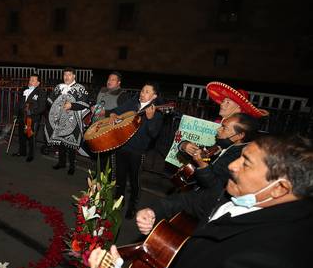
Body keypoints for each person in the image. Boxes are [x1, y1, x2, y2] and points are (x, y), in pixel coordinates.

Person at [89, 134, 313, 268]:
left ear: (280, 188)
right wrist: (155, 210)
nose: (232, 166)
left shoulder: (278, 262)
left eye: (246, 163)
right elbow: (194, 200)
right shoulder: (241, 193)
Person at [109, 83, 163, 219]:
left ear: (154, 96)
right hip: (122, 146)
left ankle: (132, 206)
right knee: (120, 177)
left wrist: (150, 120)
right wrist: (113, 114)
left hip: (137, 151)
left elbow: (154, 134)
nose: (142, 93)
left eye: (146, 91)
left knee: (134, 181)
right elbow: (118, 110)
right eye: (142, 90)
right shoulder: (133, 102)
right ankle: (118, 202)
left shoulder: (157, 111)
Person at [176, 112, 259, 190]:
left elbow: (214, 186)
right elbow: (204, 157)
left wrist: (203, 165)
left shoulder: (240, 159)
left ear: (239, 135)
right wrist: (184, 145)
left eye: (224, 128)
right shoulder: (223, 145)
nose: (218, 130)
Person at [45, 67, 89, 175]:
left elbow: (85, 103)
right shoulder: (59, 87)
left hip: (72, 120)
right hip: (59, 119)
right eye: (65, 75)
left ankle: (72, 166)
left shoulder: (80, 88)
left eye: (69, 75)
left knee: (70, 144)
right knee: (60, 142)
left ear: (74, 76)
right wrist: (55, 109)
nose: (66, 77)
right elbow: (50, 99)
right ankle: (61, 163)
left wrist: (72, 105)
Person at [88, 71, 130, 174]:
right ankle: (97, 178)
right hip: (97, 127)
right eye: (108, 79)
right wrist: (93, 107)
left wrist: (106, 112)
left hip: (109, 131)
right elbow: (98, 104)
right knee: (98, 155)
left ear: (118, 82)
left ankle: (105, 181)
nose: (109, 81)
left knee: (107, 159)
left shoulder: (122, 95)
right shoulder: (102, 90)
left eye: (113, 79)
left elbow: (123, 114)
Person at [12, 74, 47, 162]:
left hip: (33, 118)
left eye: (33, 80)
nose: (30, 81)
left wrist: (32, 112)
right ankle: (22, 152)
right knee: (21, 135)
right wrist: (15, 113)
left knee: (31, 137)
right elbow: (19, 103)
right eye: (30, 80)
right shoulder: (24, 90)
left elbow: (42, 107)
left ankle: (31, 155)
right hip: (22, 116)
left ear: (38, 83)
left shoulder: (41, 92)